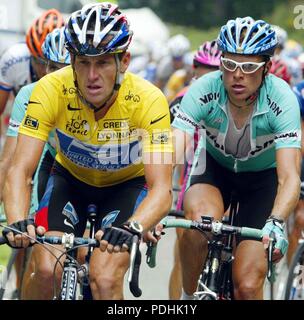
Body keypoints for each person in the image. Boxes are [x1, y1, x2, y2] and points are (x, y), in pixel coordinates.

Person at [3, 2, 173, 300]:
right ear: (71, 60)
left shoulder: (149, 100)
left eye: (104, 62)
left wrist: (134, 227)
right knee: (45, 269)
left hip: (126, 187)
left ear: (125, 61)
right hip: (70, 181)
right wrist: (18, 220)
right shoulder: (50, 89)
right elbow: (20, 169)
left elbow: (161, 189)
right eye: (83, 62)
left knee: (105, 279)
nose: (92, 74)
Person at [171, 17, 301, 300]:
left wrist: (277, 221)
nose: (237, 75)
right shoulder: (204, 89)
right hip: (215, 171)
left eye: (249, 67)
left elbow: (290, 175)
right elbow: (172, 148)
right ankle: (188, 296)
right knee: (198, 224)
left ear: (266, 67)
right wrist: (153, 203)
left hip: (262, 183)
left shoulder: (282, 100)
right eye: (229, 65)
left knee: (248, 284)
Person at [0, 26, 70, 298]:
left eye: (63, 68)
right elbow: (12, 161)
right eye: (49, 67)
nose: (54, 76)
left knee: (96, 265)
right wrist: (15, 217)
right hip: (49, 165)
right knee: (39, 248)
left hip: (84, 171)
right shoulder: (30, 93)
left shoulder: (92, 92)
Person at [168, 40, 221, 300]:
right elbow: (171, 150)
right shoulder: (181, 99)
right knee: (183, 253)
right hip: (192, 178)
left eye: (216, 69)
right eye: (203, 68)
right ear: (194, 68)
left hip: (222, 177)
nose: (209, 75)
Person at [0, 9, 64, 201]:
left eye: (53, 64)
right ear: (30, 55)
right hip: (25, 114)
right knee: (13, 161)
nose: (44, 70)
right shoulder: (14, 60)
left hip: (57, 126)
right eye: (39, 61)